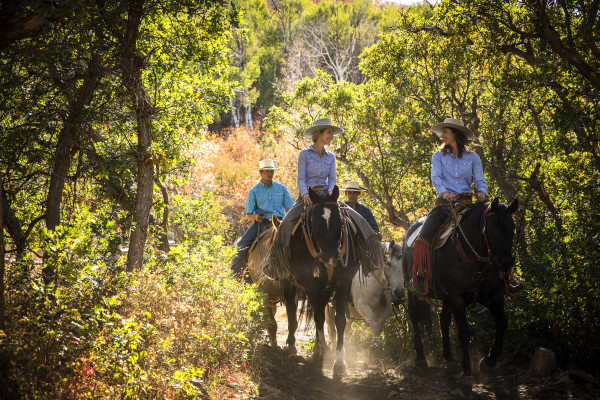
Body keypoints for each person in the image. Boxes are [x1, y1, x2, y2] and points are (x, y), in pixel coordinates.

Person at [267, 117, 381, 275]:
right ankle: (277, 265)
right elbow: (301, 179)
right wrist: (305, 193)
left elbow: (333, 179)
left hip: (327, 196)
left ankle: (372, 258)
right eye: (329, 132)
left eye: (332, 133)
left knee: (358, 219)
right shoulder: (304, 154)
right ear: (318, 133)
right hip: (308, 196)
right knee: (285, 224)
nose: (331, 136)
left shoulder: (331, 156)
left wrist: (329, 195)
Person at [409, 118, 488, 295]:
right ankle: (420, 276)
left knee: (494, 225)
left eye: (445, 131)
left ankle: (503, 276)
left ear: (455, 133)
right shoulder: (438, 156)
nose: (442, 135)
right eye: (442, 131)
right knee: (424, 234)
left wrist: (481, 191)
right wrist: (444, 193)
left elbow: (480, 180)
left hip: (468, 203)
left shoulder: (473, 157)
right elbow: (436, 179)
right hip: (446, 205)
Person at [230, 159, 294, 279]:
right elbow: (248, 214)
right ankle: (234, 276)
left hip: (280, 223)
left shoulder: (281, 188)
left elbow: (290, 208)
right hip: (262, 222)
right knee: (242, 245)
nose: (270, 173)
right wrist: (255, 217)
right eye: (267, 171)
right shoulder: (253, 191)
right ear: (260, 172)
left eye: (272, 171)